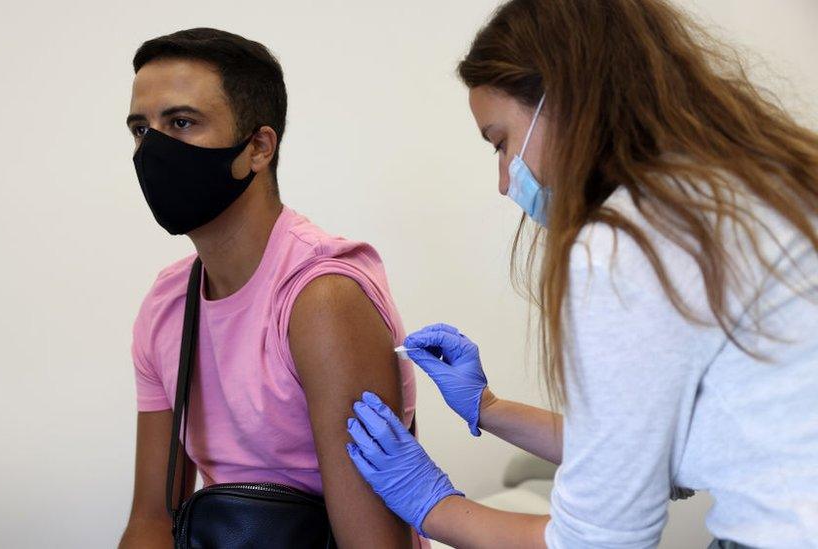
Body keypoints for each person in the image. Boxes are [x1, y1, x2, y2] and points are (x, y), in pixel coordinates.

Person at [345, 1, 818, 547]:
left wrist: (432, 503)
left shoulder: (633, 239)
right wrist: (489, 409)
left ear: (566, 97)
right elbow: (646, 449)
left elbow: (596, 541)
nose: (505, 181)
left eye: (501, 143)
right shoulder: (747, 186)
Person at [119, 28, 422, 548]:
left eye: (182, 123)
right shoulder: (168, 305)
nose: (154, 150)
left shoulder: (321, 298)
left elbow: (372, 545)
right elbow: (151, 520)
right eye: (142, 130)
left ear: (259, 147)